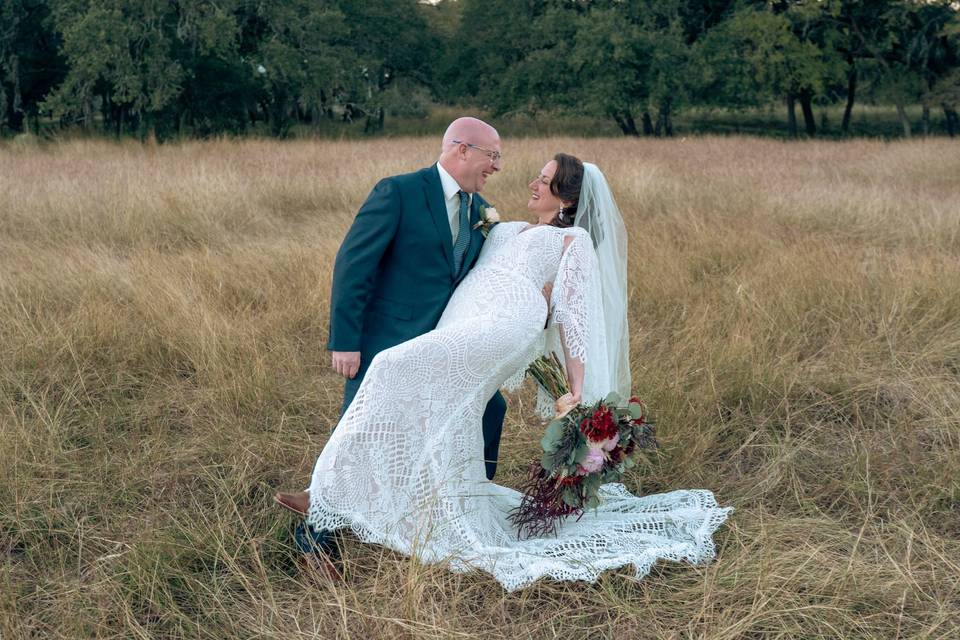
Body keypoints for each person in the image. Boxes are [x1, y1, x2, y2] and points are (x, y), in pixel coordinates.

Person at [277, 153, 732, 591]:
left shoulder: (574, 241)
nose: (532, 184)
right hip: (466, 316)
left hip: (505, 323)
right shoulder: (504, 225)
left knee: (392, 365)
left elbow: (574, 317)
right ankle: (397, 505)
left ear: (567, 200)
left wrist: (575, 391)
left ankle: (326, 495)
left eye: (544, 179)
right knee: (441, 409)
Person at [277, 117, 510, 579]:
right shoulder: (399, 192)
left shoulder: (480, 210)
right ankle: (314, 541)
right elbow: (353, 264)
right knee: (359, 437)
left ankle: (461, 513)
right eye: (493, 156)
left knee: (490, 409)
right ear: (462, 150)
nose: (497, 167)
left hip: (440, 348)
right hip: (385, 344)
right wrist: (345, 341)